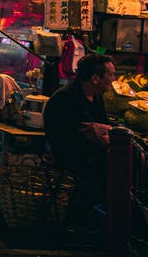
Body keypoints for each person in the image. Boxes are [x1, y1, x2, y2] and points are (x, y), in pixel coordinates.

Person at [43, 53, 115, 194]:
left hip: (91, 153)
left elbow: (105, 128)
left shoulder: (96, 96)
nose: (114, 79)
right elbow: (94, 137)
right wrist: (107, 134)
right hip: (72, 158)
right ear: (95, 78)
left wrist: (106, 129)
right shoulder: (68, 98)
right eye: (111, 75)